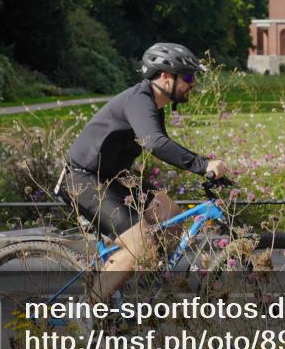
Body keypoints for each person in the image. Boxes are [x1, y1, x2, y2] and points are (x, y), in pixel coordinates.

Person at [57, 43, 229, 303]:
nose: (193, 83)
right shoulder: (139, 99)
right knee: (139, 246)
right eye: (189, 77)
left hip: (113, 177)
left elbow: (160, 143)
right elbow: (155, 143)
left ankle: (150, 291)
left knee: (169, 212)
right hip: (83, 179)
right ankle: (88, 315)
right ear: (165, 77)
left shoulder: (154, 106)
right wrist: (202, 164)